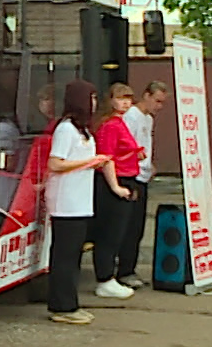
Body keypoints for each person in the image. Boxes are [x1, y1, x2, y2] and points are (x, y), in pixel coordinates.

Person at [44, 80, 111, 325]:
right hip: (65, 200)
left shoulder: (83, 130)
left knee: (73, 255)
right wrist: (88, 163)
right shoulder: (65, 130)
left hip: (81, 199)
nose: (94, 103)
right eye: (91, 98)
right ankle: (62, 305)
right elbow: (55, 163)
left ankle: (69, 301)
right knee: (64, 254)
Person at [89, 82, 144, 299]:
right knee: (110, 234)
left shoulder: (118, 123)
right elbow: (106, 158)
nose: (125, 103)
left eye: (128, 98)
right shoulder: (111, 125)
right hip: (116, 181)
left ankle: (108, 277)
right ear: (110, 100)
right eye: (121, 98)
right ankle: (105, 278)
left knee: (118, 232)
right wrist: (116, 187)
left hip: (126, 178)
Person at [115, 80, 167, 288]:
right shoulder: (132, 117)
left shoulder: (148, 119)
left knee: (138, 226)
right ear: (146, 96)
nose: (159, 106)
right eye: (156, 101)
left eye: (162, 102)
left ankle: (129, 266)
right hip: (131, 175)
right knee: (130, 226)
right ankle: (124, 269)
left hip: (143, 174)